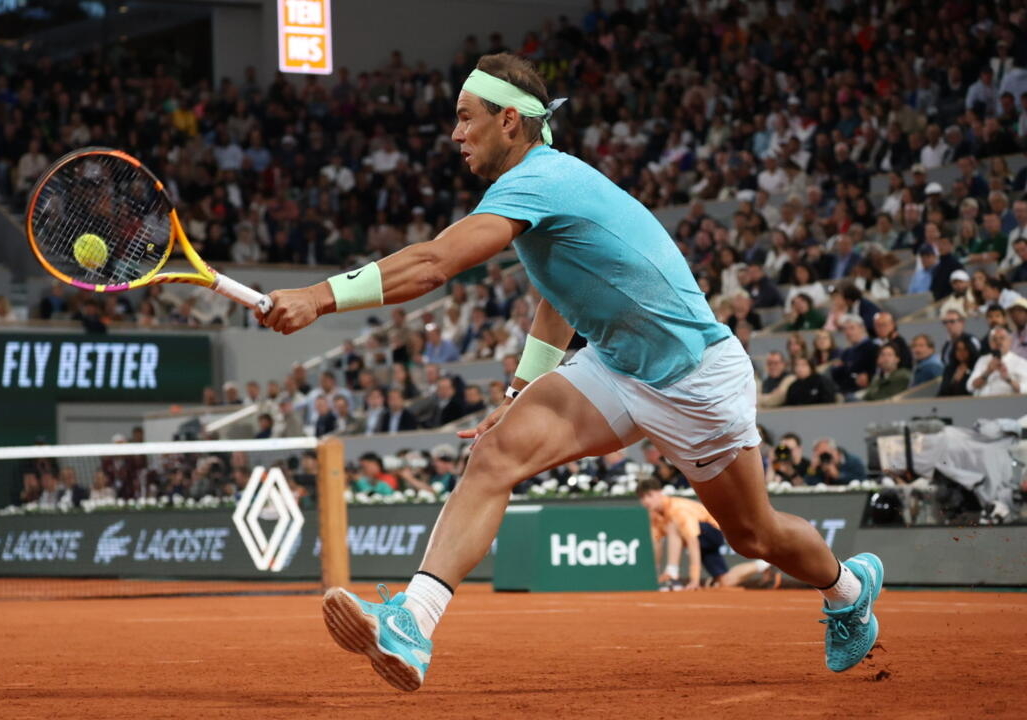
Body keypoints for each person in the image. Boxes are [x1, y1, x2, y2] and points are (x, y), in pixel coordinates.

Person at [257, 55, 882, 690]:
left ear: (509, 122)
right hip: (616, 365)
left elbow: (433, 265)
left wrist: (317, 295)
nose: (455, 134)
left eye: (465, 119)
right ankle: (412, 623)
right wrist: (520, 391)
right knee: (496, 456)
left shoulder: (542, 180)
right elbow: (561, 297)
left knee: (754, 535)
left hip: (695, 377)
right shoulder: (532, 189)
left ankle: (849, 587)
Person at [636, 479, 728, 590]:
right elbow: (656, 543)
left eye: (649, 495)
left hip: (713, 532)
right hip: (704, 543)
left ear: (659, 492)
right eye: (642, 497)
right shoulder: (655, 516)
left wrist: (694, 579)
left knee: (673, 525)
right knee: (723, 580)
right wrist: (653, 576)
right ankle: (669, 577)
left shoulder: (677, 510)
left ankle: (672, 574)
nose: (646, 501)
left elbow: (693, 542)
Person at [968, 327, 1027, 396]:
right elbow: (970, 387)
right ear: (990, 343)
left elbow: (1025, 389)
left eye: (1002, 338)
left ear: (1010, 341)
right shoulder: (982, 360)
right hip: (982, 404)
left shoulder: (1021, 362)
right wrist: (988, 372)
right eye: (994, 339)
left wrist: (1008, 379)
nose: (998, 342)